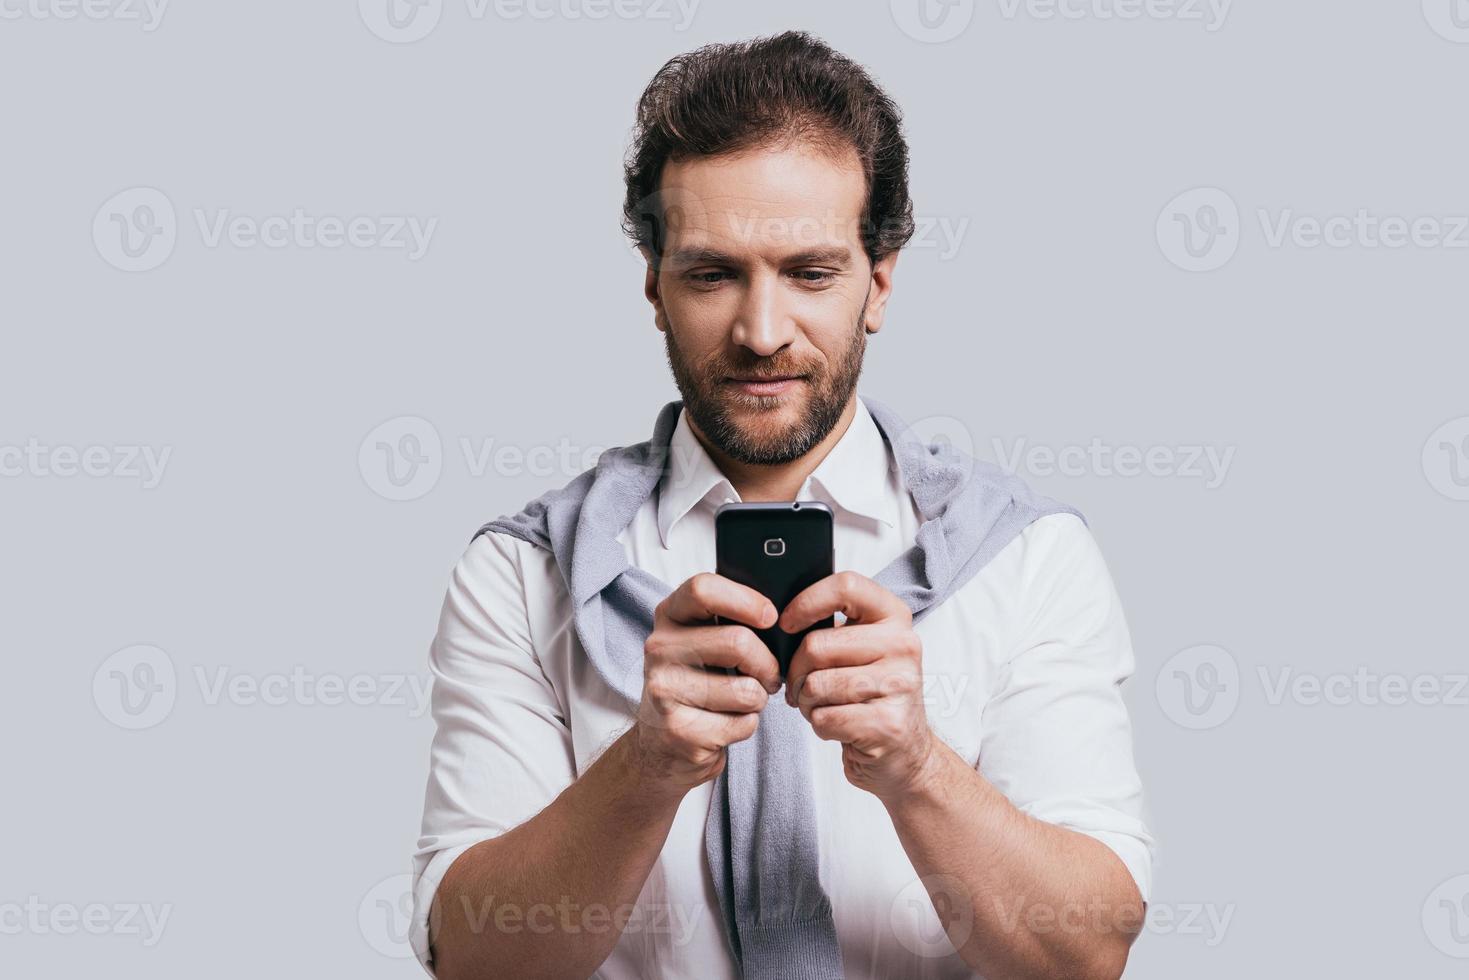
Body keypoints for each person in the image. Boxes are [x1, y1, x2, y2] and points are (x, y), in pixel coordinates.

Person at [410, 30, 1153, 980]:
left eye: (810, 273)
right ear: (653, 285)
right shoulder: (522, 574)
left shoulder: (1026, 559)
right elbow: (474, 960)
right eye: (712, 275)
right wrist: (642, 770)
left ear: (879, 281)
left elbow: (1083, 956)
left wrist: (917, 767)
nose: (763, 334)